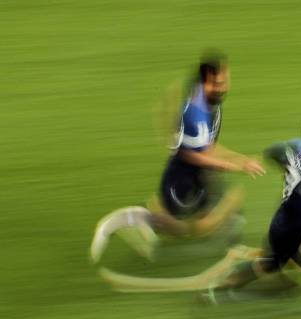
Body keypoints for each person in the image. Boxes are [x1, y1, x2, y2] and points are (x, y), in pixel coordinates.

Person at [91, 50, 265, 263]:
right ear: (206, 80)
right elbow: (197, 157)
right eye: (220, 81)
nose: (225, 85)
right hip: (181, 183)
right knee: (192, 228)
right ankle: (141, 218)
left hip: (200, 177)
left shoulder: (210, 104)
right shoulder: (196, 114)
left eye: (226, 80)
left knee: (219, 213)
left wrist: (240, 159)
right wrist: (237, 165)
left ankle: (231, 248)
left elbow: (209, 147)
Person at [206, 114, 301, 303]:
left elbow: (272, 151)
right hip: (291, 225)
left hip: (296, 216)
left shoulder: (295, 146)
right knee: (268, 265)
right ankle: (218, 288)